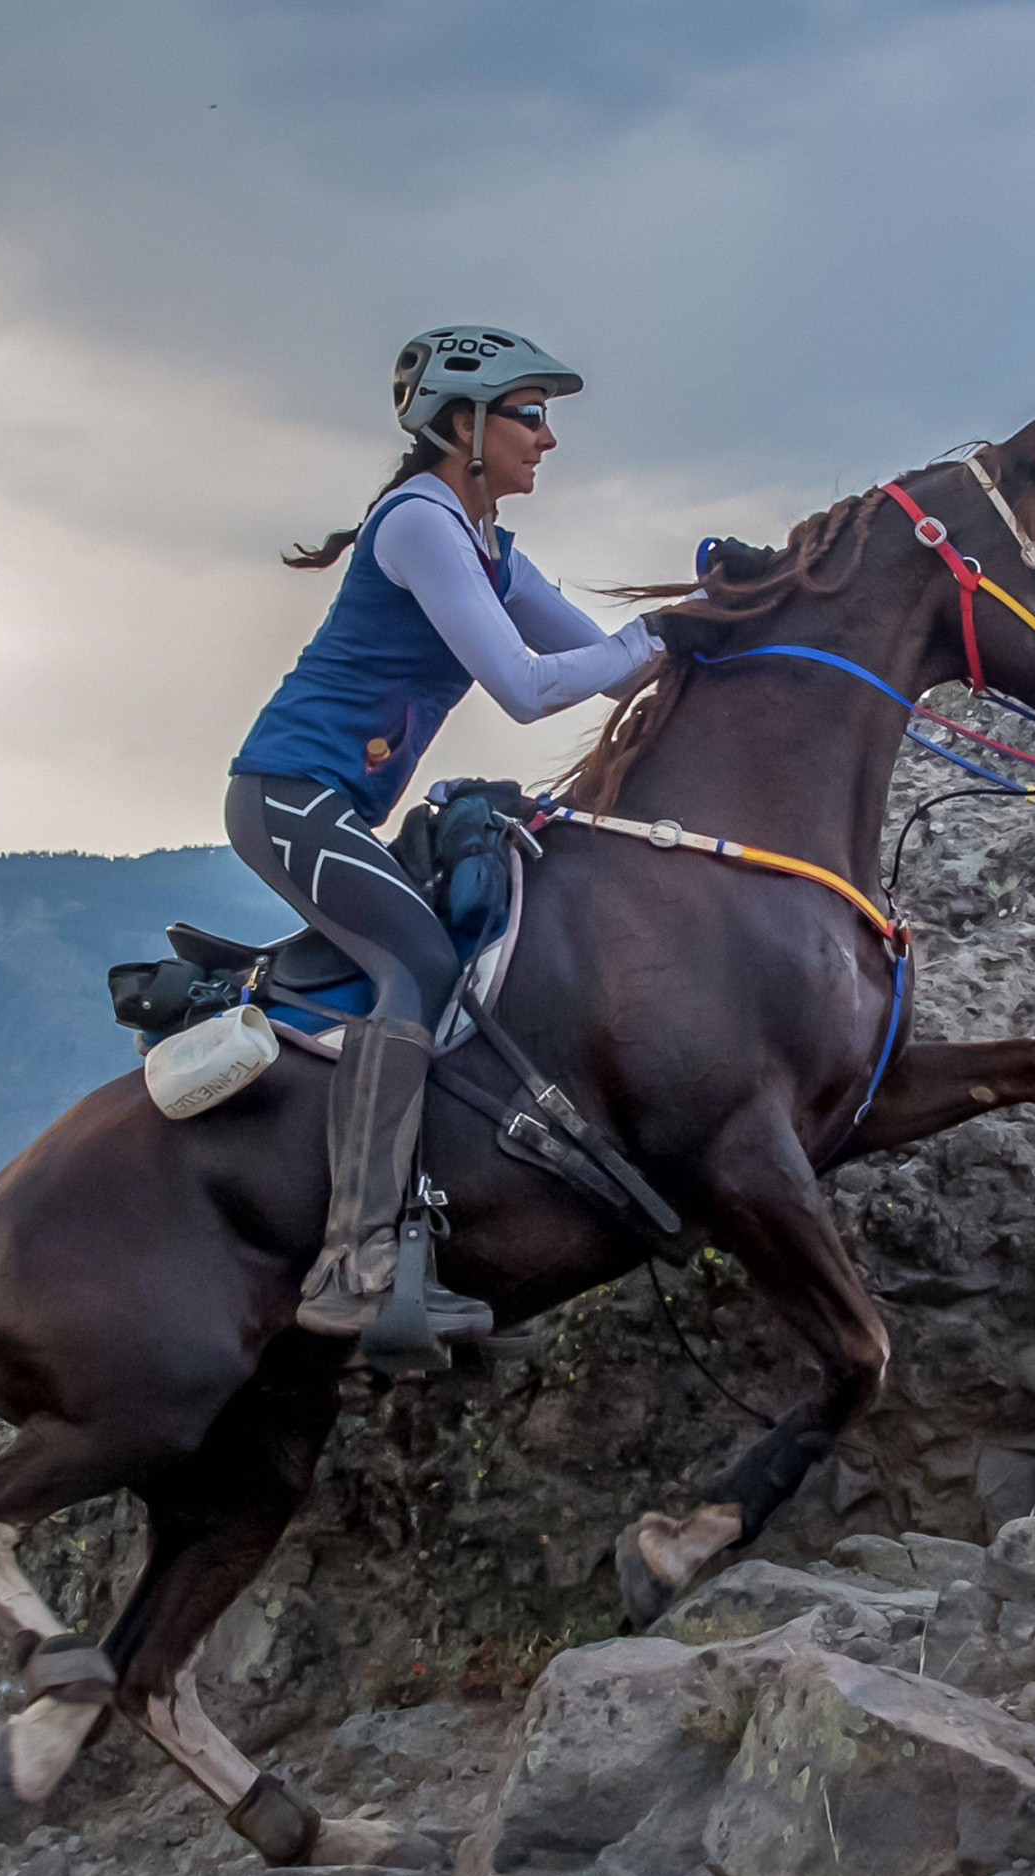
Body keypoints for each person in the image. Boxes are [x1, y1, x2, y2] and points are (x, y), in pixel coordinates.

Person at [227, 326, 657, 1369]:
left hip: (327, 804)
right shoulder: (420, 523)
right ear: (462, 427)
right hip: (284, 797)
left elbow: (603, 665)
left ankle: (441, 1241)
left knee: (465, 956)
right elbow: (522, 685)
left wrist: (721, 618)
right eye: (530, 414)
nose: (548, 438)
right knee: (417, 961)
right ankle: (353, 1269)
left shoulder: (487, 546)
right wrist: (663, 641)